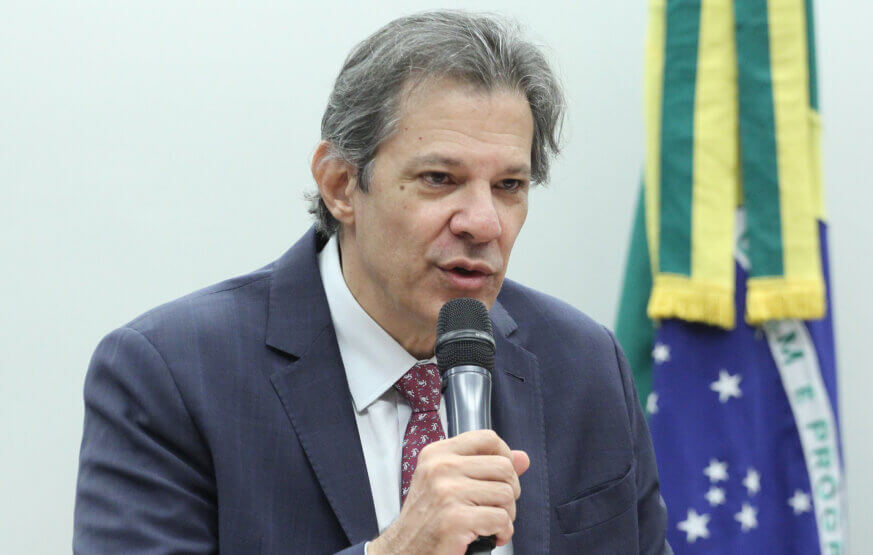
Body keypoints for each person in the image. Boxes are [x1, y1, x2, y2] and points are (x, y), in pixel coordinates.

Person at [74, 10, 670, 554]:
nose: (483, 222)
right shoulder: (170, 375)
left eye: (509, 186)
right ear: (339, 185)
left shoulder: (584, 365)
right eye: (440, 178)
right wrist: (397, 552)